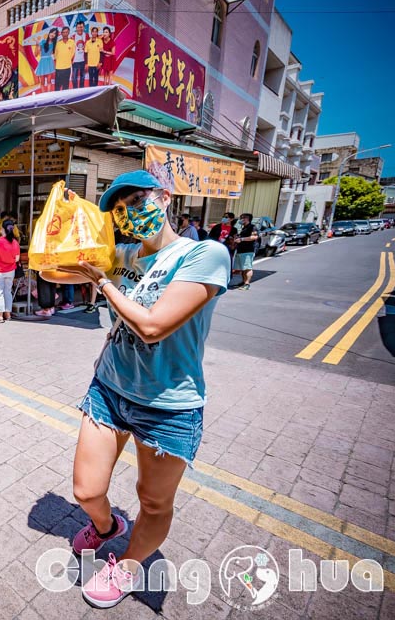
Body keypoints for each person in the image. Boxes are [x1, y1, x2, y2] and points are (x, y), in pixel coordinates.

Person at [64, 170, 230, 609]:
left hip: (168, 406)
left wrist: (102, 282)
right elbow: (63, 269)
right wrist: (62, 221)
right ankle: (106, 528)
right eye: (120, 210)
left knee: (153, 504)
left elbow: (153, 326)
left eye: (137, 201)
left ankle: (130, 565)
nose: (129, 214)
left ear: (165, 197)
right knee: (86, 490)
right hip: (110, 388)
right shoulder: (122, 254)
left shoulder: (204, 254)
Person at [0, 219, 20, 323]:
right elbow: (17, 259)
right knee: (7, 292)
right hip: (11, 271)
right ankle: (8, 314)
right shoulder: (15, 242)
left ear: (2, 229)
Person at [231, 213, 258, 290]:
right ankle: (243, 282)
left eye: (244, 218)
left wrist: (242, 239)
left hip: (248, 250)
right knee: (242, 268)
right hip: (240, 250)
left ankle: (247, 284)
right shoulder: (243, 228)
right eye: (241, 217)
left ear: (248, 219)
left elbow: (254, 237)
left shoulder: (252, 227)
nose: (242, 219)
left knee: (247, 268)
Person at [53, 26, 76, 91]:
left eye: (66, 32)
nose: (65, 34)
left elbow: (73, 53)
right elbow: (55, 56)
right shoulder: (58, 43)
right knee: (57, 87)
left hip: (67, 67)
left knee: (65, 86)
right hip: (58, 68)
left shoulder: (72, 42)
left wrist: (69, 61)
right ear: (61, 33)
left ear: (68, 33)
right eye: (64, 32)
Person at [36, 27, 59, 92]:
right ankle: (43, 95)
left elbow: (54, 53)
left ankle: (48, 94)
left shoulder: (54, 44)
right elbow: (37, 53)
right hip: (42, 62)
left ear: (55, 36)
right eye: (52, 32)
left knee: (49, 81)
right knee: (42, 82)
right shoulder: (43, 41)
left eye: (54, 33)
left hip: (49, 62)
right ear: (49, 33)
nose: (52, 34)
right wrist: (37, 45)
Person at [71, 21, 87, 88]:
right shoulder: (73, 36)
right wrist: (71, 59)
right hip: (75, 61)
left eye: (81, 27)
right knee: (74, 77)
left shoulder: (86, 35)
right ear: (76, 28)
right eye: (78, 27)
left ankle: (81, 90)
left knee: (82, 77)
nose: (79, 28)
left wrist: (87, 62)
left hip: (83, 60)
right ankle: (75, 90)